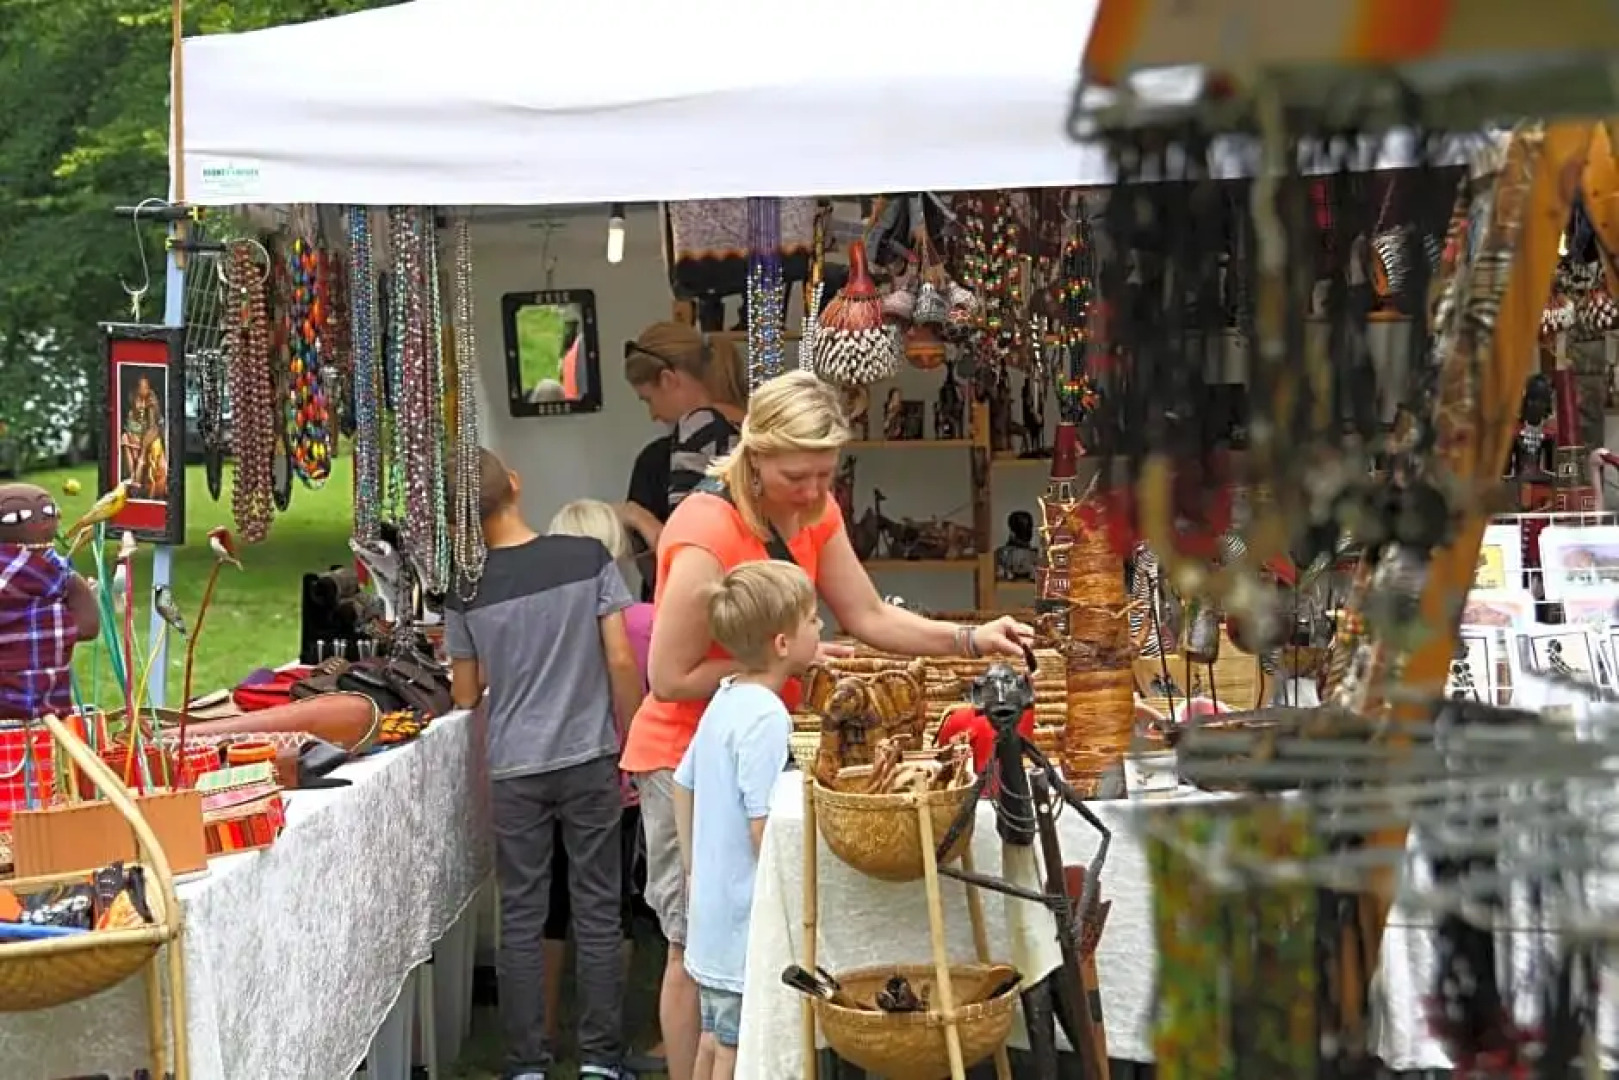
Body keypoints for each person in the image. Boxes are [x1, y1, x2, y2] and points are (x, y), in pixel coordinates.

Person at [620, 370, 1033, 1080]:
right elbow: (666, 677)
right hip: (686, 755)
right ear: (753, 454)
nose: (814, 491)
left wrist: (967, 639)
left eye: (825, 473)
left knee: (751, 940)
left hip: (756, 744)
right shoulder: (703, 530)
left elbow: (868, 617)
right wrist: (778, 669)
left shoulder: (814, 511)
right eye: (796, 475)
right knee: (697, 944)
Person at [445, 451, 643, 1080]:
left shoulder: (466, 588)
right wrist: (631, 734)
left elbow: (465, 694)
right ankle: (601, 1061)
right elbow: (618, 659)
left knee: (524, 914)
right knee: (597, 905)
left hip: (515, 768)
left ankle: (527, 1062)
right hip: (589, 756)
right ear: (517, 486)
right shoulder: (585, 560)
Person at [672, 561, 820, 1080]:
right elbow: (764, 825)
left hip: (712, 909)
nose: (821, 628)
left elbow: (682, 782)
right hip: (742, 919)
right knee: (737, 1047)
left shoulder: (726, 696)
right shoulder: (767, 716)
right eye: (813, 620)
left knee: (713, 1037)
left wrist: (693, 869)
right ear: (782, 643)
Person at [542, 498, 661, 1073]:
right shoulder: (645, 621)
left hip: (548, 771)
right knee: (610, 907)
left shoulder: (541, 621)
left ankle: (541, 1034)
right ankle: (604, 1045)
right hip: (616, 776)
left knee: (551, 904)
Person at [619, 323, 748, 598]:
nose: (653, 414)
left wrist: (636, 515)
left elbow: (688, 543)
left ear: (668, 380)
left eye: (648, 400)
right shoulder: (756, 431)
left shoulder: (696, 430)